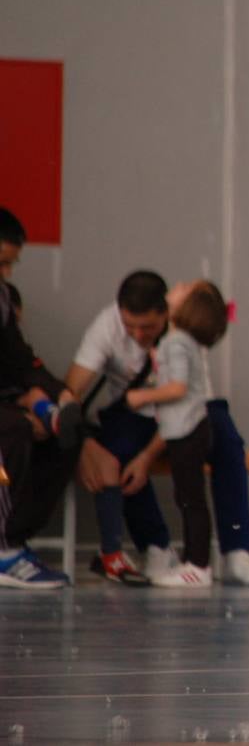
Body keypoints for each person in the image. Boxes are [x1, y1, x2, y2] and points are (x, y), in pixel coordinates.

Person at [65, 271, 249, 586]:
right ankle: (156, 547)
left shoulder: (184, 334)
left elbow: (189, 405)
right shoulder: (107, 325)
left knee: (227, 440)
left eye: (147, 327)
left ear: (166, 314)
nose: (137, 335)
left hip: (186, 409)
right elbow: (72, 390)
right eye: (129, 326)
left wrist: (147, 459)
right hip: (137, 414)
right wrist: (82, 443)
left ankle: (237, 551)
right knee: (117, 448)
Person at [120, 280, 229, 587]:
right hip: (187, 428)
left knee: (190, 499)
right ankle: (194, 562)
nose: (176, 287)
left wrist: (141, 397)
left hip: (186, 430)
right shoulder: (183, 342)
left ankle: (197, 565)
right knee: (188, 498)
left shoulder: (177, 342)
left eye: (184, 290)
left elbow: (178, 387)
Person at [0, 208, 84, 589]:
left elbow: (20, 359)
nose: (7, 274)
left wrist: (60, 397)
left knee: (67, 436)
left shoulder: (1, 298)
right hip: (7, 413)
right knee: (13, 431)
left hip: (12, 401)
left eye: (10, 264)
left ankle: (14, 540)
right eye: (1, 263)